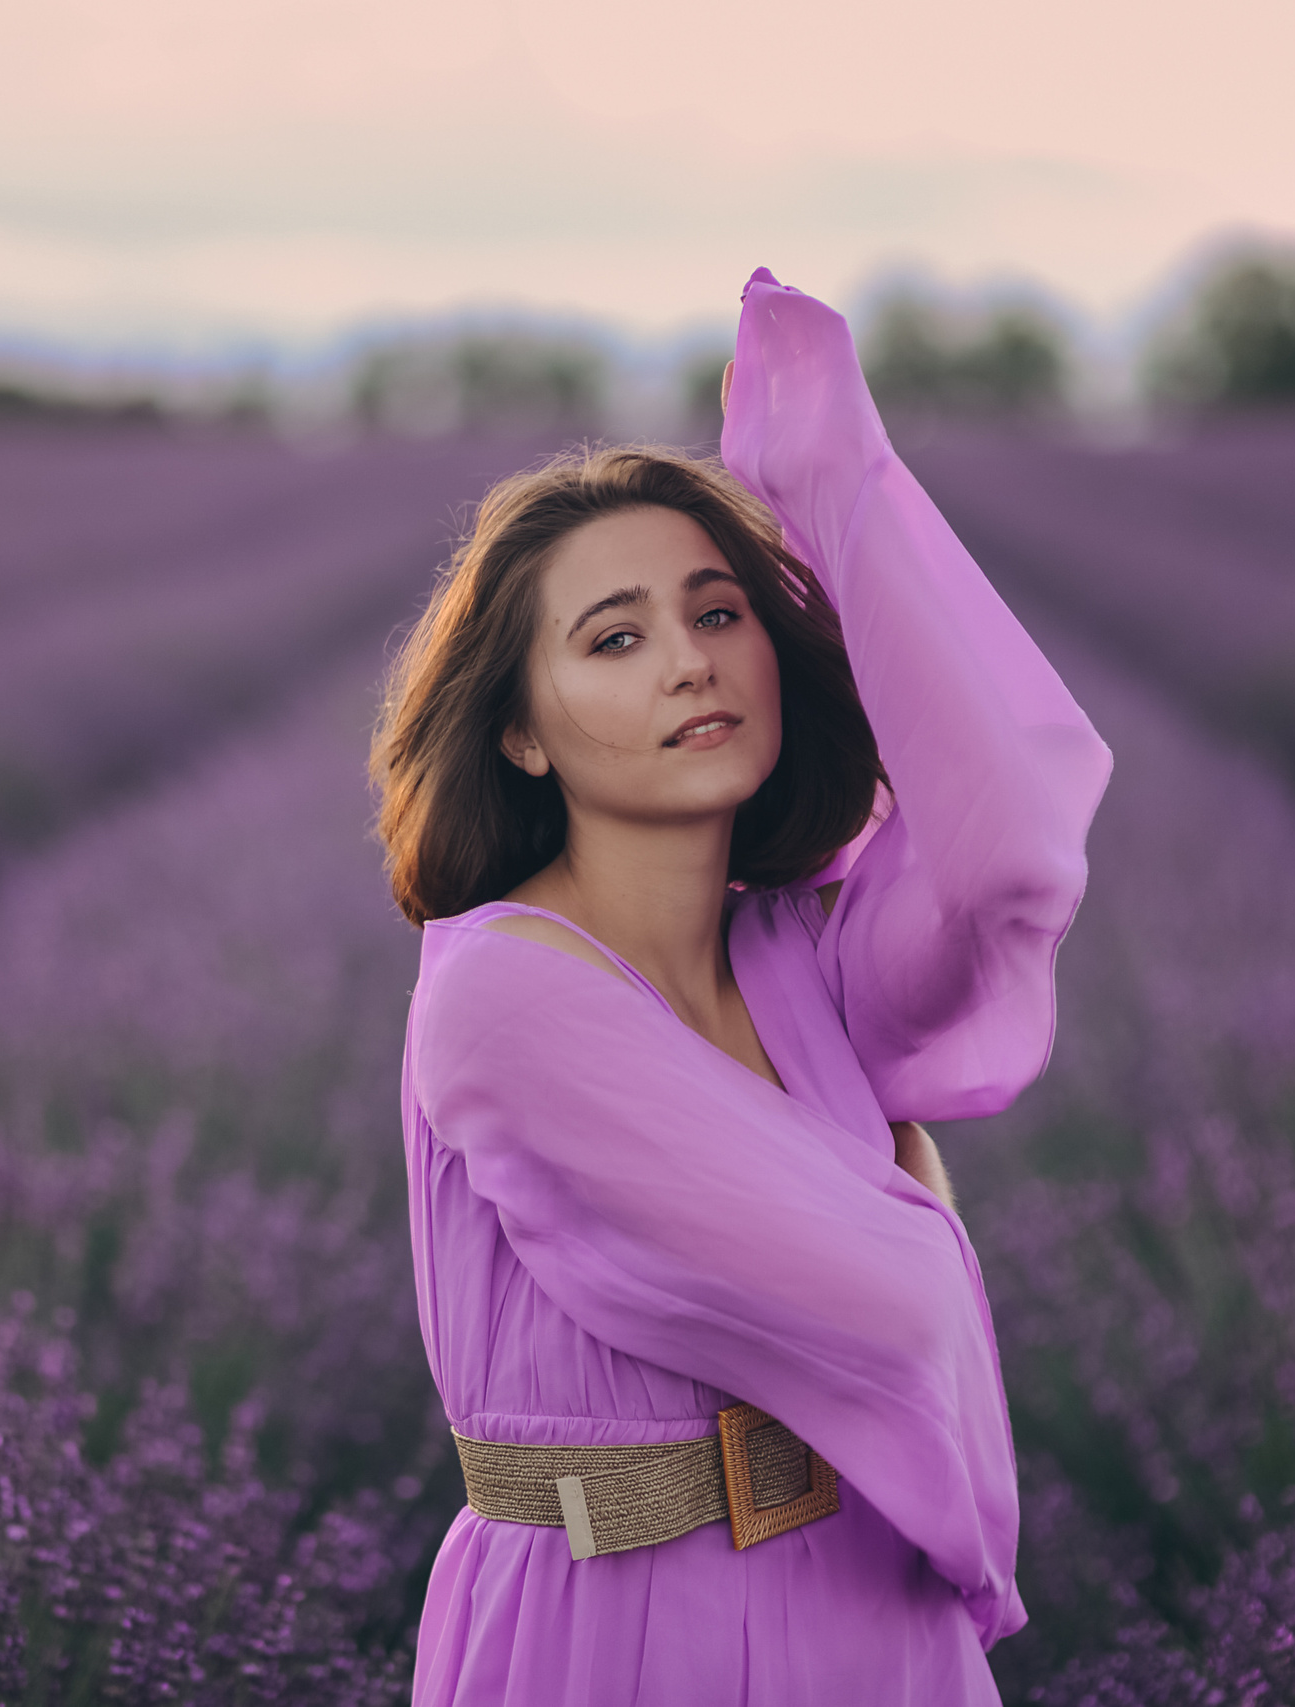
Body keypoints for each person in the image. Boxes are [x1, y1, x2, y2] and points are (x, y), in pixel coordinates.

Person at [368, 268, 1113, 1705]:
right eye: (616, 638)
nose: (691, 665)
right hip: (616, 1632)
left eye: (719, 612)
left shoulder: (802, 956)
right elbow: (894, 1311)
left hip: (873, 1614)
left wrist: (837, 489)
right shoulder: (502, 998)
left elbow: (1013, 858)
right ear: (522, 732)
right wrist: (918, 1210)